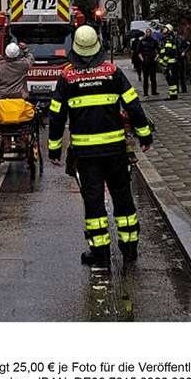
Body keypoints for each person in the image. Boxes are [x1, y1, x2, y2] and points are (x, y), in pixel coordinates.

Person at [48, 25, 152, 268]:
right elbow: (133, 105)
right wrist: (144, 136)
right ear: (97, 47)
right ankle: (129, 249)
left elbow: (55, 116)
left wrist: (54, 150)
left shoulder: (66, 77)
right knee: (123, 197)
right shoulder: (112, 72)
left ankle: (100, 253)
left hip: (86, 155)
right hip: (115, 150)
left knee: (93, 202)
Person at [137, 27, 161, 96]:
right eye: (147, 32)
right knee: (145, 78)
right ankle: (145, 92)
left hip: (152, 60)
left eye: (149, 32)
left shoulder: (154, 41)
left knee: (153, 77)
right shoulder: (142, 41)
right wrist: (142, 59)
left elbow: (158, 51)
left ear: (151, 33)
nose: (148, 33)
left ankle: (154, 91)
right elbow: (139, 52)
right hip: (145, 60)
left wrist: (156, 58)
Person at [158, 24, 179, 100]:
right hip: (170, 63)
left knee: (171, 78)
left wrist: (163, 60)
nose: (163, 29)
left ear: (169, 30)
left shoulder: (168, 39)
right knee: (170, 78)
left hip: (171, 63)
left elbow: (168, 51)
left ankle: (173, 94)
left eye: (165, 28)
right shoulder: (166, 39)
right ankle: (172, 93)